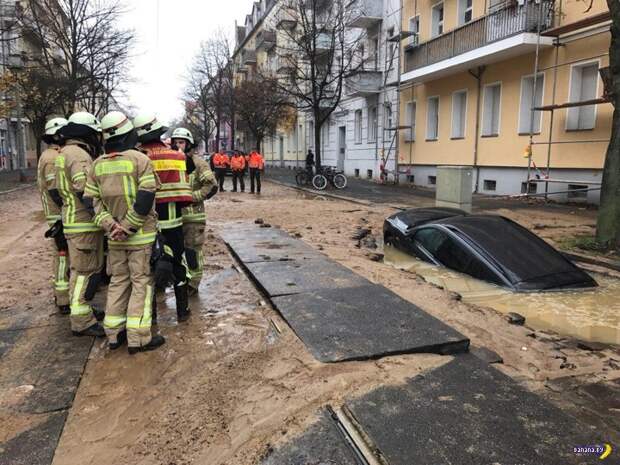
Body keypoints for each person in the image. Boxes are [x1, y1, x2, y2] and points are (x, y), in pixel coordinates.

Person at [85, 111, 165, 354]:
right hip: (139, 237)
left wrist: (112, 227)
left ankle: (113, 334)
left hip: (115, 239)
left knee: (118, 281)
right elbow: (146, 197)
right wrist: (128, 227)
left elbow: (92, 202)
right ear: (129, 133)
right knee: (141, 283)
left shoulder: (97, 165)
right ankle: (138, 338)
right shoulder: (140, 160)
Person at [133, 112, 193, 322]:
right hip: (174, 222)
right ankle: (183, 312)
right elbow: (185, 196)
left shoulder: (136, 157)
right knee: (178, 264)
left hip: (145, 224)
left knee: (147, 270)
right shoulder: (177, 156)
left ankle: (152, 317)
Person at [50, 112, 105, 337]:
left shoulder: (62, 153)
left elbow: (55, 190)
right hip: (84, 225)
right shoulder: (80, 156)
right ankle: (82, 320)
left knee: (78, 270)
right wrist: (105, 218)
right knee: (86, 272)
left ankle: (80, 309)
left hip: (72, 221)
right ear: (87, 133)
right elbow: (86, 192)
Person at [171, 128, 217, 295]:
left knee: (192, 251)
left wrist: (192, 197)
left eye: (181, 142)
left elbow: (212, 185)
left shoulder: (198, 163)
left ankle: (193, 284)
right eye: (175, 142)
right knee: (175, 252)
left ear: (189, 144)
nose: (178, 145)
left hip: (193, 217)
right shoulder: (171, 162)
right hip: (174, 218)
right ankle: (181, 280)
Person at [38, 117, 70, 315]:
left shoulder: (52, 155)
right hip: (58, 216)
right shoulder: (51, 158)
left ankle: (64, 297)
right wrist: (70, 207)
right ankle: (63, 298)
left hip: (58, 215)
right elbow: (54, 190)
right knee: (62, 256)